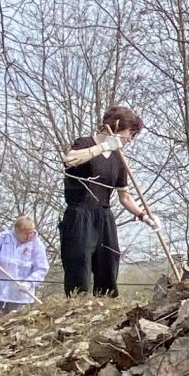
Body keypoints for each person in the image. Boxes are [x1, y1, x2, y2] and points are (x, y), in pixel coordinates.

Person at [59, 107, 151, 299]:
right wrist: (104, 147)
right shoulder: (84, 143)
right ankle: (77, 308)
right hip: (79, 214)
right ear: (117, 125)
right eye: (130, 134)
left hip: (104, 216)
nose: (129, 139)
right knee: (79, 264)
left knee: (108, 263)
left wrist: (143, 215)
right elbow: (69, 160)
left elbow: (124, 195)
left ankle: (106, 307)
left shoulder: (119, 159)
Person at [0, 215, 50, 311]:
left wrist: (29, 283)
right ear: (16, 231)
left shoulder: (36, 245)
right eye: (25, 234)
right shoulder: (4, 237)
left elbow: (42, 268)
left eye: (31, 233)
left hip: (21, 295)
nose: (28, 236)